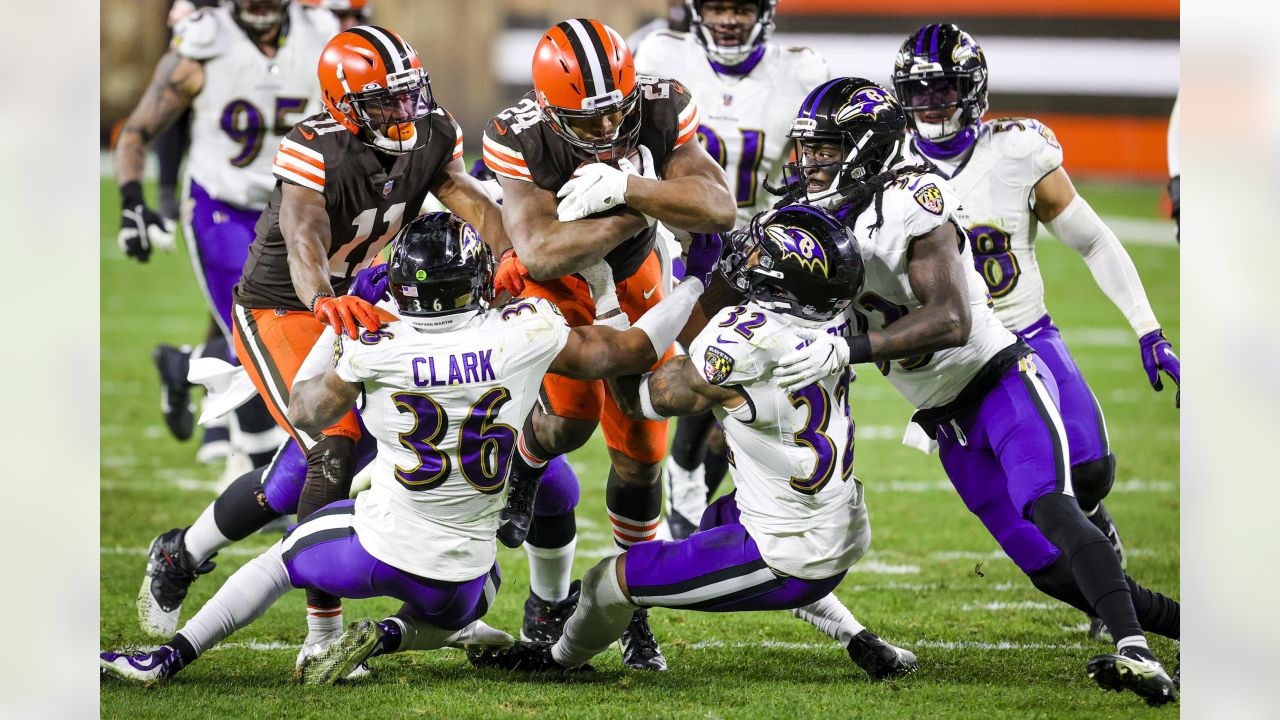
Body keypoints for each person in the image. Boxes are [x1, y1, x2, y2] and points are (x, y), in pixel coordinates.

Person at [102, 206, 722, 685]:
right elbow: (635, 349)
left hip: (384, 544)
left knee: (286, 552)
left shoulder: (380, 341)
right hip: (467, 573)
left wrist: (341, 319)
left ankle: (171, 656)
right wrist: (693, 286)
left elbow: (304, 406)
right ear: (477, 281)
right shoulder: (527, 331)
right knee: (538, 503)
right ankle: (436, 628)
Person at [771, 77, 1179, 705]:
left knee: (1053, 504)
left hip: (997, 379)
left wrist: (845, 348)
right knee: (1048, 570)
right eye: (808, 149)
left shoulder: (917, 197)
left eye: (826, 150)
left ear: (862, 149)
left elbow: (949, 320)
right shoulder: (808, 214)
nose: (810, 163)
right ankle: (1187, 627)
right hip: (942, 418)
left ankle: (1134, 650)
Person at [136, 24, 506, 673]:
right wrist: (318, 296)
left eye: (408, 96)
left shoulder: (433, 128)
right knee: (330, 448)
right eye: (385, 104)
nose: (404, 113)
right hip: (284, 304)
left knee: (337, 455)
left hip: (366, 294)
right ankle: (323, 633)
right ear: (345, 108)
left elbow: (469, 199)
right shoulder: (315, 146)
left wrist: (511, 263)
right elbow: (303, 233)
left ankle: (182, 552)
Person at [463, 205, 916, 679]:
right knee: (715, 519)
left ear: (783, 283)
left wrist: (607, 297)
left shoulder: (741, 348)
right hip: (838, 523)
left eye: (764, 251)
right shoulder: (828, 325)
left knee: (605, 583)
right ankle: (860, 639)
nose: (749, 253)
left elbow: (636, 399)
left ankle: (553, 662)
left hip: (789, 555)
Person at [891, 24, 1182, 638]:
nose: (931, 104)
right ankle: (1115, 603)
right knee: (1038, 540)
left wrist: (1148, 329)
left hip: (1025, 335)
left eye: (944, 89)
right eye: (918, 92)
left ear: (973, 92)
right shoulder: (888, 169)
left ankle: (1106, 558)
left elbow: (1094, 239)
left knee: (1092, 474)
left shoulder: (1018, 151)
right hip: (956, 366)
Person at [480, 18, 736, 670]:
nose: (605, 132)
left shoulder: (658, 102)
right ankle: (526, 468)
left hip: (636, 276)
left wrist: (629, 188)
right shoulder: (520, 135)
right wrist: (643, 210)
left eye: (614, 114)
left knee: (642, 456)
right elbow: (539, 252)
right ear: (547, 108)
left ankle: (632, 607)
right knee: (570, 418)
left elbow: (718, 207)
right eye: (586, 122)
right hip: (559, 286)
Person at [634, 0, 830, 538]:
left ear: (763, 13)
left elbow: (811, 161)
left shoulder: (800, 71)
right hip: (678, 244)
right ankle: (682, 474)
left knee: (747, 386)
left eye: (740, 8)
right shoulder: (660, 55)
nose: (728, 20)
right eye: (717, 7)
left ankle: (691, 487)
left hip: (762, 250)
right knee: (715, 369)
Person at [114, 0, 337, 470]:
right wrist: (134, 200)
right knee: (259, 335)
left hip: (295, 207)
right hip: (223, 208)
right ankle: (253, 471)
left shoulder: (320, 32)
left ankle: (183, 364)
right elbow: (137, 130)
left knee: (314, 333)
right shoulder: (203, 40)